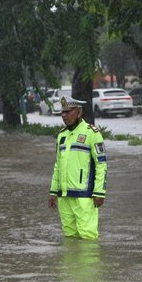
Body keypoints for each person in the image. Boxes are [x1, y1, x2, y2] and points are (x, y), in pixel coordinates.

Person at [48, 96, 107, 240]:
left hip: (85, 196)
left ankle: (87, 263)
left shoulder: (92, 133)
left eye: (68, 112)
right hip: (64, 196)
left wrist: (99, 192)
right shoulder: (62, 135)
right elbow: (58, 165)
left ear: (79, 112)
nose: (64, 115)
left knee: (88, 238)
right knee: (69, 238)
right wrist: (53, 191)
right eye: (62, 112)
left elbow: (101, 164)